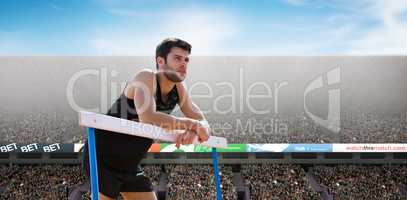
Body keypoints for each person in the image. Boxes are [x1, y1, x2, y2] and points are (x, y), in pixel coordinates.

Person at [83, 38, 211, 200]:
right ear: (161, 61)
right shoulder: (146, 77)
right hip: (102, 157)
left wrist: (195, 130)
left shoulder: (179, 89)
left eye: (186, 59)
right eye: (177, 58)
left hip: (129, 164)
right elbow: (148, 118)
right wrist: (192, 124)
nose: (184, 63)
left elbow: (204, 124)